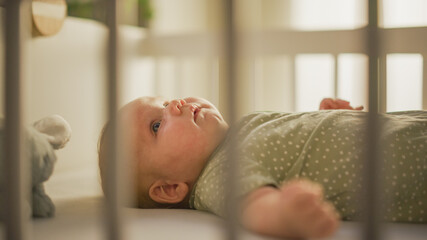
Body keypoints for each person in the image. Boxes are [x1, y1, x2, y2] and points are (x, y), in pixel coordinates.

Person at [98, 97, 427, 239]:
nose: (175, 104)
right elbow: (255, 206)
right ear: (171, 189)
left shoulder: (238, 134)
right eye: (157, 125)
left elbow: (289, 145)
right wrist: (286, 213)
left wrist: (321, 116)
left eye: (166, 99)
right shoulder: (220, 173)